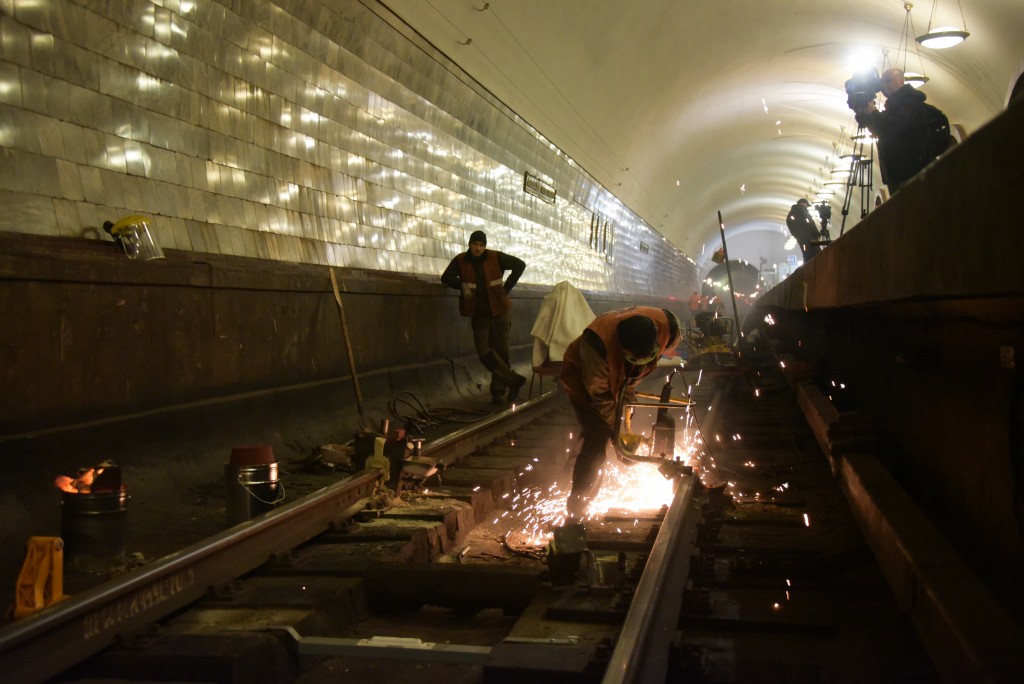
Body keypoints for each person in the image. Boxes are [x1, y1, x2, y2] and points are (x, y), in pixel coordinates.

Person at [559, 306, 682, 518]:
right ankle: (577, 506)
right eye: (635, 358)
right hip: (583, 382)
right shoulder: (596, 346)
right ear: (622, 348)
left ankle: (576, 462)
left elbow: (651, 359)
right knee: (597, 436)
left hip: (622, 378)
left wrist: (624, 419)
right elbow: (600, 398)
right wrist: (617, 437)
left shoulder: (667, 325)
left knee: (621, 415)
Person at [441, 230, 527, 404]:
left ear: (485, 246)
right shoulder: (461, 260)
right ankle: (513, 380)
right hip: (479, 314)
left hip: (499, 311)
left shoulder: (496, 257)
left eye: (481, 245)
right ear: (469, 245)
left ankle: (498, 391)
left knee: (501, 352)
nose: (478, 248)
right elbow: (446, 277)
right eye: (475, 244)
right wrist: (461, 284)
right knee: (484, 353)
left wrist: (506, 288)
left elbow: (520, 265)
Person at [854, 67, 947, 195]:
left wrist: (873, 113)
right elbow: (883, 130)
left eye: (889, 81)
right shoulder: (895, 105)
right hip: (904, 173)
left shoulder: (910, 102)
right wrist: (865, 114)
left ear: (901, 82)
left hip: (915, 172)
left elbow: (893, 128)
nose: (884, 85)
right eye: (882, 82)